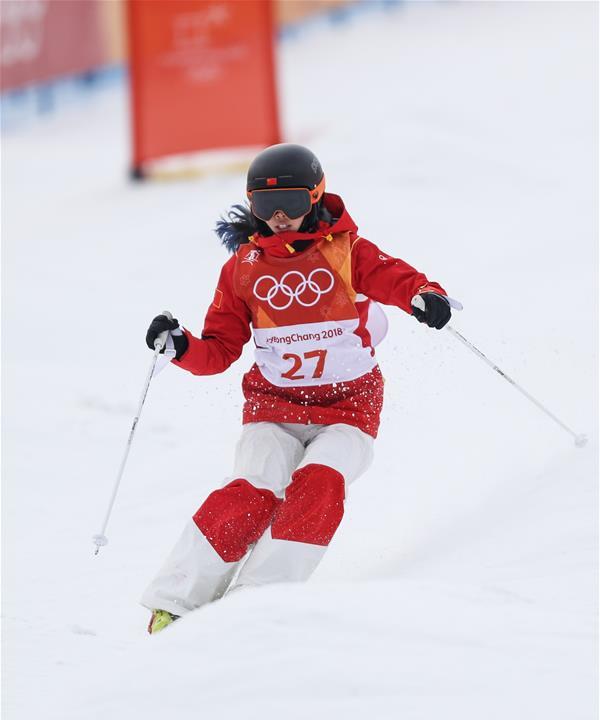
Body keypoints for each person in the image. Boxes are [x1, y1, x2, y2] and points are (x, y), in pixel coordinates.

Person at [142, 143, 451, 634]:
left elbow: (396, 278)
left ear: (316, 197)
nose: (279, 217)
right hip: (274, 408)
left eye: (291, 203)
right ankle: (177, 601)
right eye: (265, 207)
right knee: (253, 491)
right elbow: (219, 351)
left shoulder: (347, 252)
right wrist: (180, 346)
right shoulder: (243, 268)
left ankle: (259, 600)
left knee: (320, 484)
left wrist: (423, 295)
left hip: (348, 410)